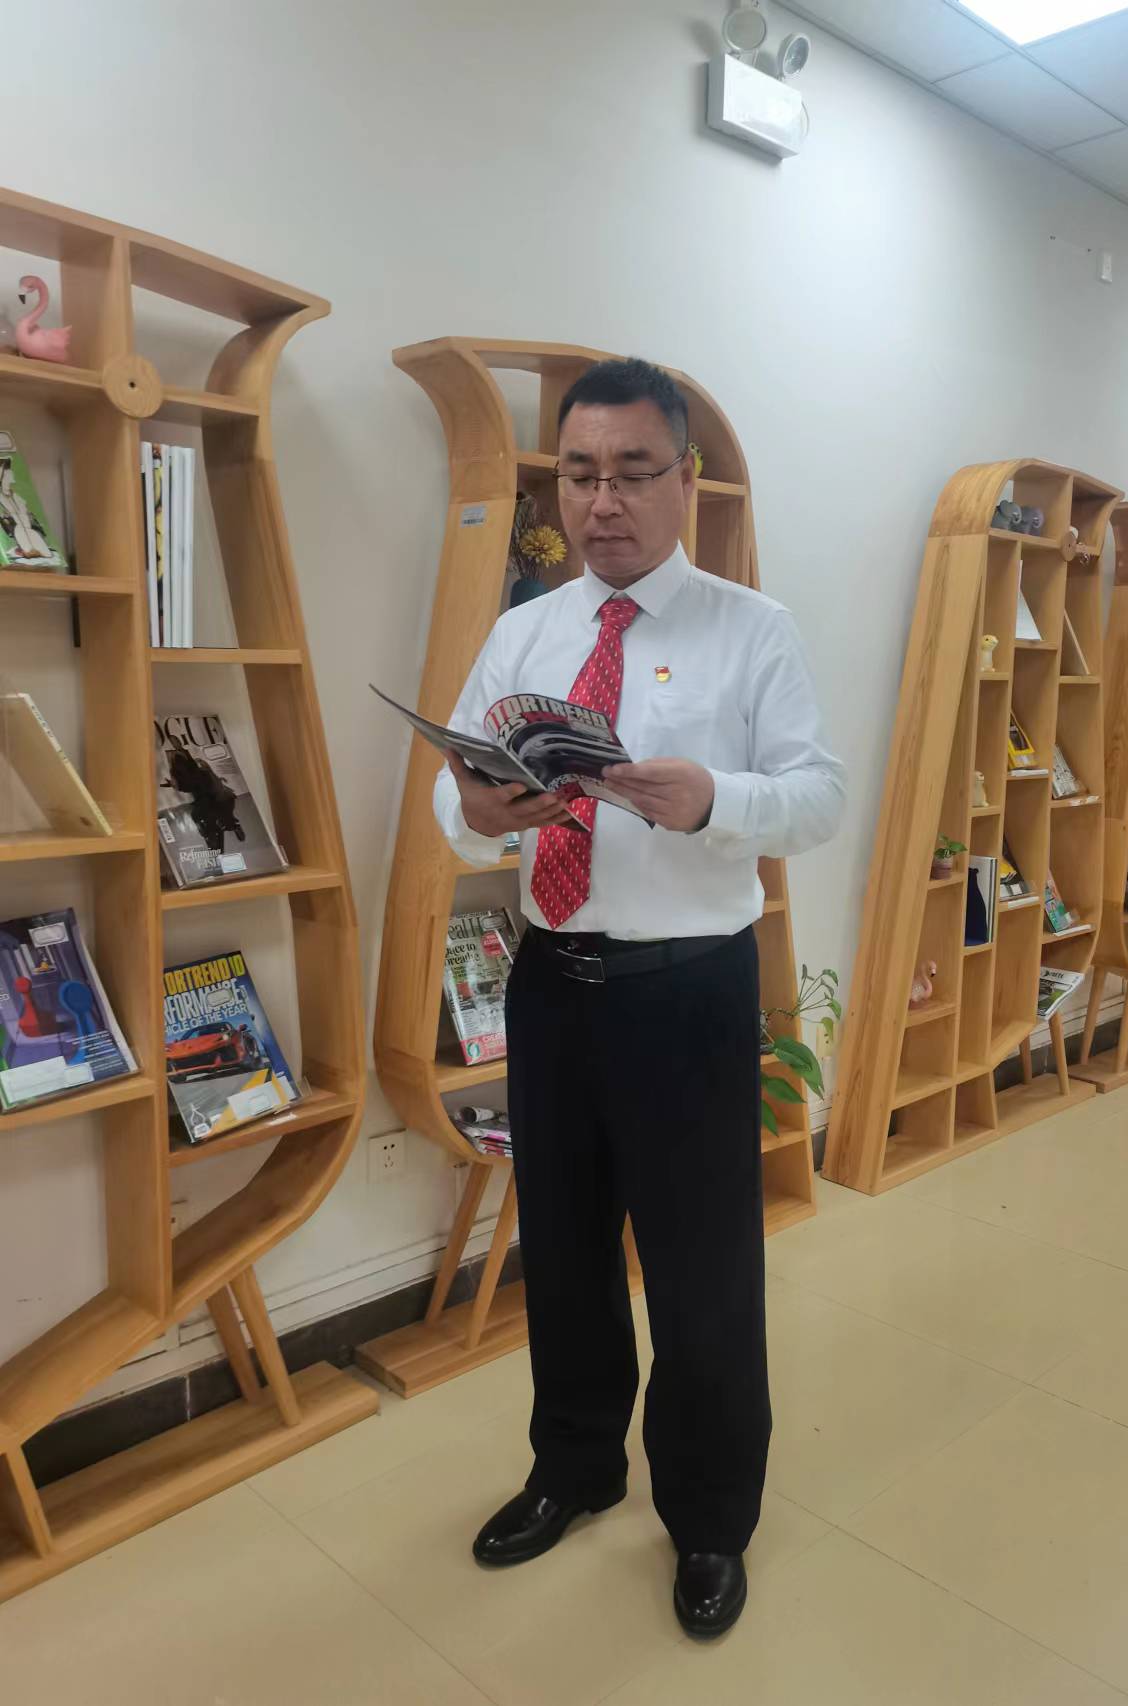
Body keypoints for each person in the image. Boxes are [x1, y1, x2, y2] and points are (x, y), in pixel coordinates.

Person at [434, 357, 845, 1638]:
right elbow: (454, 793)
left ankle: (709, 1518)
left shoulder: (749, 627)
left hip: (686, 992)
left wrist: (716, 797)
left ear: (684, 479)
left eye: (630, 472)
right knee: (560, 1251)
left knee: (700, 1268)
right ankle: (574, 1466)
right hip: (552, 983)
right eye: (578, 474)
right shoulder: (526, 630)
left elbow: (819, 796)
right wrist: (480, 807)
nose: (601, 501)